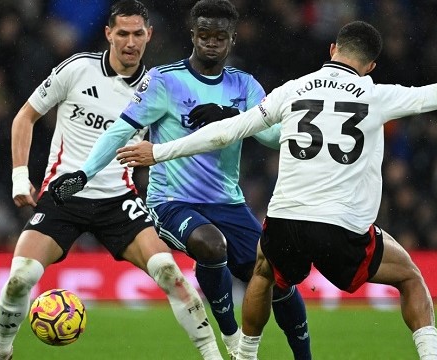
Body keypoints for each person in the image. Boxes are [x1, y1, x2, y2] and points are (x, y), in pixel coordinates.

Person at [115, 21, 437, 360]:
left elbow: (227, 131)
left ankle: (244, 355)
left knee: (264, 271)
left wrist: (160, 151)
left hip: (287, 220)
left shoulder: (293, 89)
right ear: (371, 65)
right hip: (342, 226)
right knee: (410, 277)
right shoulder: (377, 94)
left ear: (332, 49)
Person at [48, 1, 312, 359]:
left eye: (220, 37)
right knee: (212, 245)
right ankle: (232, 339)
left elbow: (270, 136)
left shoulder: (244, 85)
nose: (211, 43)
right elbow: (119, 131)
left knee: (276, 277)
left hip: (227, 202)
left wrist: (234, 116)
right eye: (204, 35)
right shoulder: (165, 80)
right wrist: (84, 173)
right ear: (193, 35)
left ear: (231, 40)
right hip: (172, 202)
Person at [0, 2, 222, 359]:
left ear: (149, 36)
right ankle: (0, 352)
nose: (130, 42)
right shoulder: (77, 69)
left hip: (117, 199)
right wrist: (19, 177)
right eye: (122, 33)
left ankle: (214, 357)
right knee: (19, 279)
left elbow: (179, 144)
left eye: (138, 34)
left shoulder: (159, 88)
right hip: (63, 196)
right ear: (108, 34)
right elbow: (25, 117)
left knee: (171, 274)